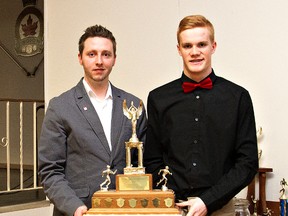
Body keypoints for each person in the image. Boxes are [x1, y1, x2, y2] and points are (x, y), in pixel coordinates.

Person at [143, 15, 258, 216]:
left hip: (221, 208)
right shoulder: (158, 98)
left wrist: (208, 201)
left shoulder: (238, 97)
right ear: (179, 49)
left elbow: (247, 163)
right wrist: (170, 196)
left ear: (213, 46)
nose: (195, 52)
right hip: (171, 208)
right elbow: (152, 160)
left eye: (201, 44)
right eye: (187, 46)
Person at [38, 25, 147, 216]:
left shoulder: (133, 105)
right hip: (80, 211)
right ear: (80, 58)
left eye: (106, 54)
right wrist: (75, 208)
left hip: (125, 211)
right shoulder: (60, 106)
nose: (99, 61)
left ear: (114, 59)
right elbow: (50, 171)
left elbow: (142, 163)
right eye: (91, 54)